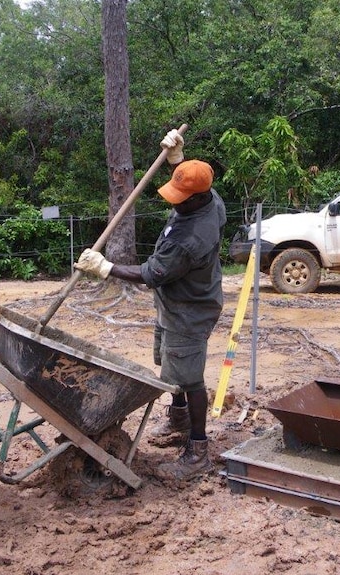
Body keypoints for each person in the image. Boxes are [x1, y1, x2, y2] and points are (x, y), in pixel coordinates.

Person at [74, 129, 226, 481]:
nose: (174, 201)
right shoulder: (211, 199)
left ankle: (198, 449)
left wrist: (106, 268)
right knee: (170, 365)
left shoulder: (191, 239)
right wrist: (178, 160)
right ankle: (178, 419)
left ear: (195, 200)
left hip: (191, 309)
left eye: (180, 196)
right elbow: (195, 183)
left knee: (189, 378)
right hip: (176, 302)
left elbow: (153, 272)